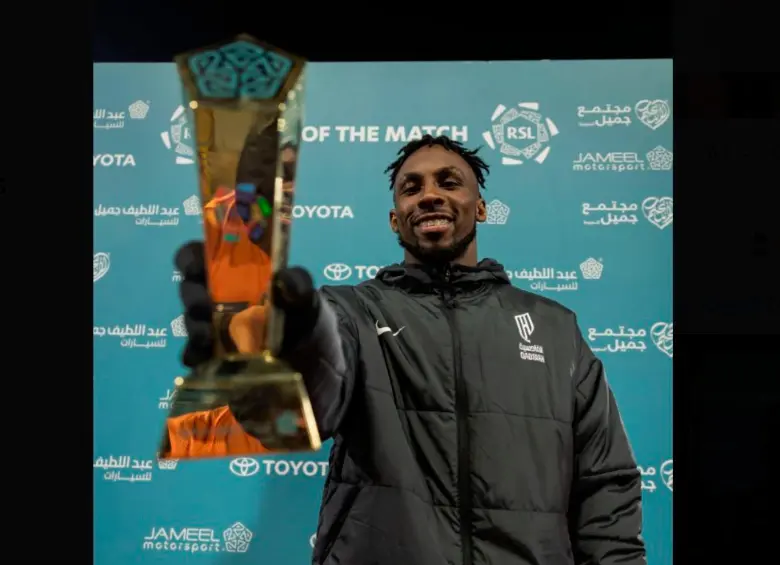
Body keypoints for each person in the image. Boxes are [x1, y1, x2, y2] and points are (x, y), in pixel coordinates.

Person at [175, 135, 647, 565]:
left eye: (448, 182)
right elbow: (312, 390)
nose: (429, 195)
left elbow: (605, 484)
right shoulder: (352, 312)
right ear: (395, 218)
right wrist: (269, 341)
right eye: (411, 188)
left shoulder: (554, 328)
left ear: (480, 207)